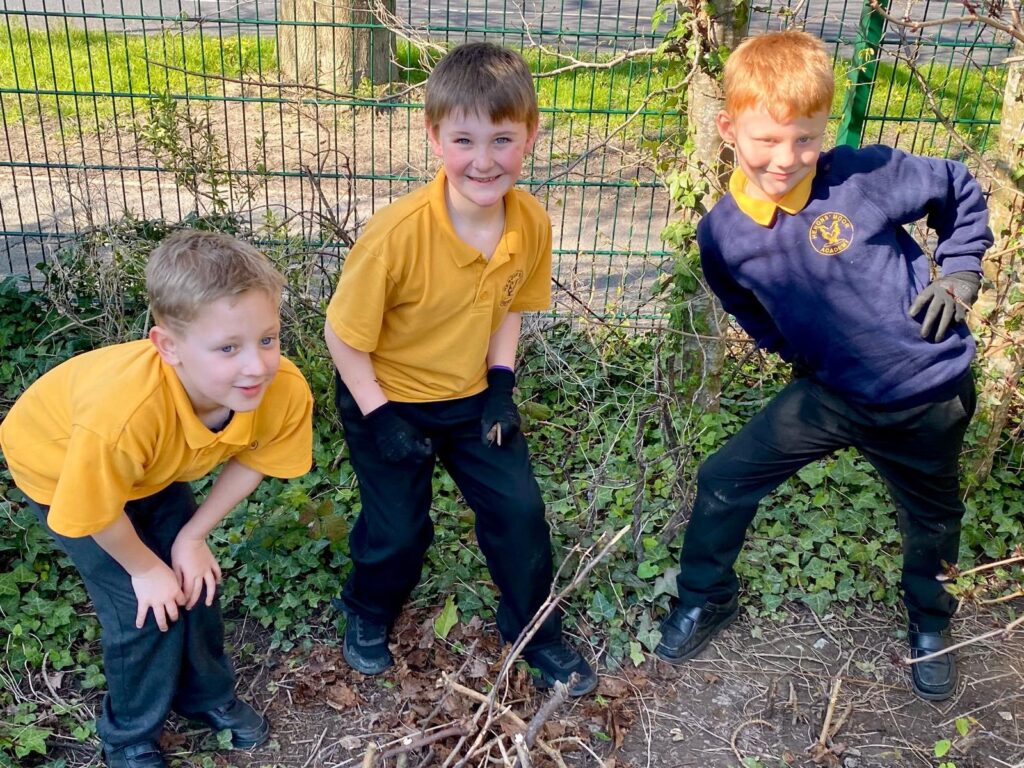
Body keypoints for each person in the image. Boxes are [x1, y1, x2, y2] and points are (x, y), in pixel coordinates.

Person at [654, 30, 992, 702]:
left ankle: (930, 624)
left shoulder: (861, 176)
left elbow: (957, 186)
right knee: (724, 477)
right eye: (767, 140)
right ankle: (707, 596)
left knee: (931, 519)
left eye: (804, 140)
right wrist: (797, 353)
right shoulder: (723, 232)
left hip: (926, 392)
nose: (787, 159)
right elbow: (742, 303)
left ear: (823, 129)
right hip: (831, 393)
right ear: (728, 128)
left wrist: (958, 272)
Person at [323, 42, 597, 696]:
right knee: (399, 528)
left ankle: (533, 629)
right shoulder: (397, 235)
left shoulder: (528, 221)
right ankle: (366, 612)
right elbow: (342, 336)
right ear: (434, 137)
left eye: (502, 140)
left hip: (474, 399)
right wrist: (382, 416)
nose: (483, 160)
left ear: (530, 135)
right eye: (464, 139)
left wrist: (501, 386)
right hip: (384, 398)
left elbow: (510, 307)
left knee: (521, 513)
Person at [0, 230, 314, 767]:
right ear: (168, 346)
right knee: (141, 606)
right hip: (63, 469)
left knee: (196, 580)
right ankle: (129, 736)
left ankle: (207, 698)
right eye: (227, 348)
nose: (257, 365)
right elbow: (98, 510)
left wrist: (192, 538)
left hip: (151, 469)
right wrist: (146, 569)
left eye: (268, 338)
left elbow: (256, 460)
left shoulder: (278, 388)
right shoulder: (124, 414)